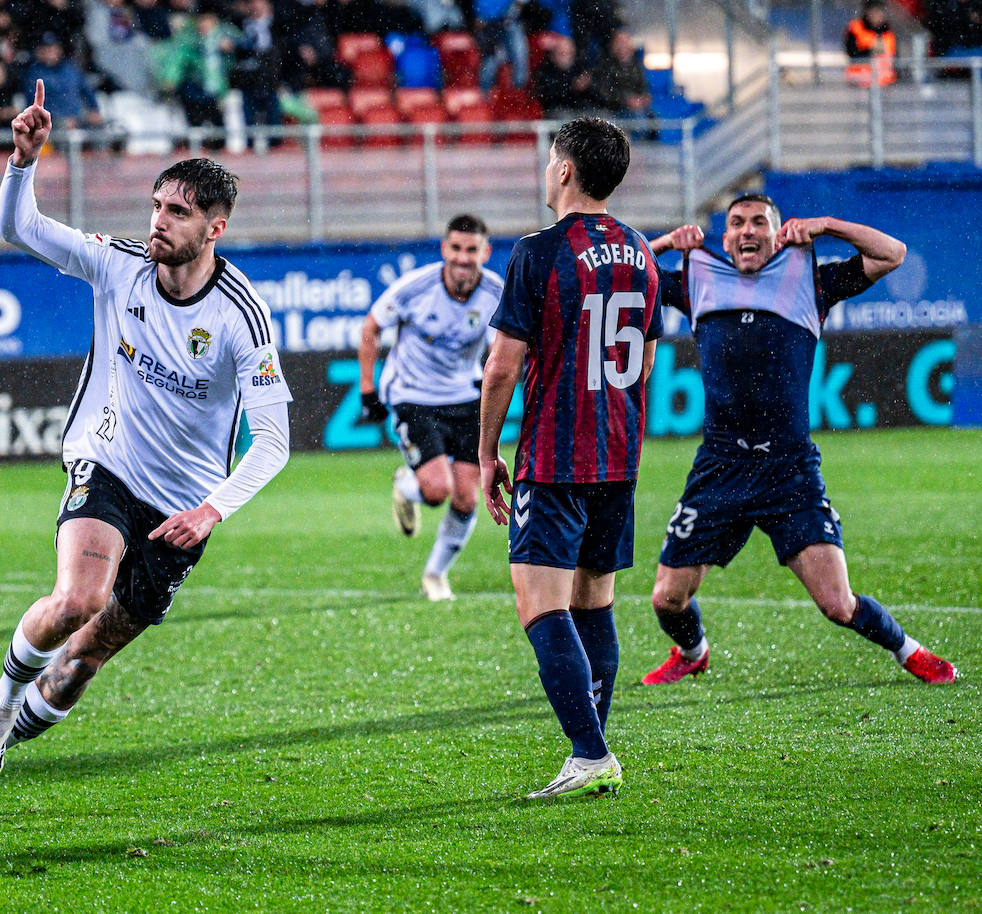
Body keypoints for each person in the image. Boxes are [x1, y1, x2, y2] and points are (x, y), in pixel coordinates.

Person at [0, 80, 293, 818]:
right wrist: (22, 160)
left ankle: (22, 719)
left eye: (178, 213)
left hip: (183, 507)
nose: (158, 222)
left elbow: (275, 442)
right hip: (106, 464)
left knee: (81, 664)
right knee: (77, 598)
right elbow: (21, 228)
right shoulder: (117, 262)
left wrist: (212, 509)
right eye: (156, 206)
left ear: (215, 229)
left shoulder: (243, 319)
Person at [640, 194, 957, 687]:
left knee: (837, 603)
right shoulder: (698, 279)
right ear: (724, 237)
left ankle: (907, 650)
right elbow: (619, 277)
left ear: (777, 232)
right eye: (737, 224)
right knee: (667, 599)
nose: (748, 232)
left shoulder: (810, 279)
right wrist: (663, 242)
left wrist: (828, 225)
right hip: (719, 468)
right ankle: (693, 650)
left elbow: (891, 253)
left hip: (788, 470)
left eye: (759, 223)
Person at [479, 116, 661, 801]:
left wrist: (488, 451)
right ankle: (594, 751)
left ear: (563, 170)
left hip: (557, 457)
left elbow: (502, 368)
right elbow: (643, 360)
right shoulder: (643, 253)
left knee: (540, 606)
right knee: (595, 601)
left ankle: (590, 753)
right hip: (619, 453)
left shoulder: (539, 251)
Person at [357, 214, 503, 602]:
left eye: (471, 250)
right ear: (444, 250)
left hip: (466, 397)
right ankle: (407, 485)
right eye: (455, 248)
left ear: (485, 253)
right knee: (437, 490)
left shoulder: (495, 293)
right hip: (413, 395)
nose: (462, 258)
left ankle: (435, 576)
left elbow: (501, 353)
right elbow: (371, 327)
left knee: (467, 498)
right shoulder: (416, 287)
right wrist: (368, 389)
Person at [844, 0, 895, 87]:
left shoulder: (889, 33)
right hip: (859, 82)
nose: (876, 16)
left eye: (879, 12)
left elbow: (895, 59)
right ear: (867, 12)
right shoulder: (855, 28)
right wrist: (870, 51)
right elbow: (851, 53)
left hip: (885, 84)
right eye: (873, 12)